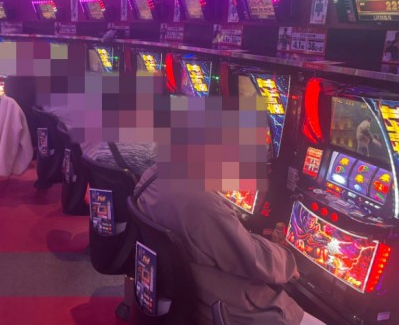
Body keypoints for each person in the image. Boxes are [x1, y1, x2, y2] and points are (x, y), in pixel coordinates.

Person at [135, 96, 324, 325]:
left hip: (178, 288)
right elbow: (250, 259)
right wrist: (288, 260)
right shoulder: (200, 203)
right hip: (218, 303)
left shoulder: (150, 177)